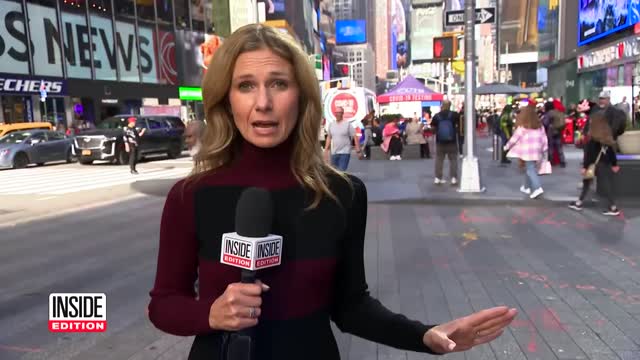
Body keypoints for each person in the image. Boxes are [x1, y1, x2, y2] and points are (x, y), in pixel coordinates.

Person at [147, 24, 517, 360]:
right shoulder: (190, 196)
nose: (263, 102)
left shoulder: (342, 193)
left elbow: (350, 306)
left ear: (302, 96)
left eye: (278, 83)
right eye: (246, 85)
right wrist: (209, 313)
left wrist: (424, 336)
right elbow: (163, 304)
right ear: (227, 100)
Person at [569, 111, 621, 216]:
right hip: (605, 164)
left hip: (594, 165)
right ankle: (580, 202)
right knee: (604, 185)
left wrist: (584, 167)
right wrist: (614, 164)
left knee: (588, 183)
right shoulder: (606, 136)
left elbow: (589, 155)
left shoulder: (593, 139)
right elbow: (611, 151)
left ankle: (613, 207)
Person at [503, 104, 548, 199]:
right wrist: (544, 149)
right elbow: (544, 139)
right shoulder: (540, 127)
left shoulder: (523, 127)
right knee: (530, 167)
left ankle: (537, 188)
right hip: (537, 151)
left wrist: (507, 147)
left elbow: (514, 138)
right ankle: (526, 187)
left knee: (530, 169)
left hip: (527, 151)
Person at [431, 100, 461, 184]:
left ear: (442, 106)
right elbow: (460, 125)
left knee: (439, 160)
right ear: (450, 105)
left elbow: (432, 128)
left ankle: (438, 178)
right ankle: (453, 178)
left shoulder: (437, 116)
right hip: (452, 141)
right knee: (453, 160)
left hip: (440, 141)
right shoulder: (454, 115)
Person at [324, 106, 362, 171]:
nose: (337, 114)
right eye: (336, 112)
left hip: (345, 152)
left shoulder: (347, 124)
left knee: (341, 171)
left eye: (339, 112)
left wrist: (358, 150)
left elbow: (354, 136)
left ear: (342, 113)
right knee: (335, 172)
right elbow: (329, 137)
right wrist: (326, 150)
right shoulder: (331, 125)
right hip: (334, 152)